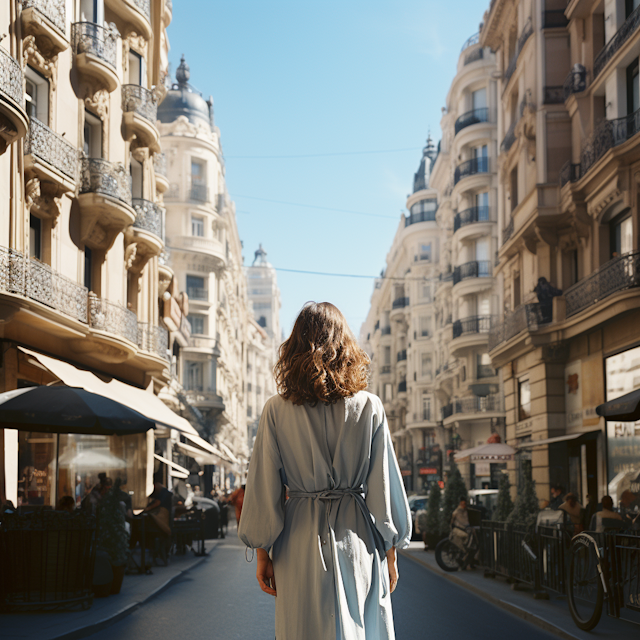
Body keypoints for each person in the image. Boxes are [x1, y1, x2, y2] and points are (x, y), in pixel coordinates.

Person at [238, 302, 412, 640]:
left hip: (299, 540)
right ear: (345, 345)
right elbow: (383, 488)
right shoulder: (370, 407)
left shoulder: (275, 410)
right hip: (358, 539)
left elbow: (263, 486)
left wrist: (263, 554)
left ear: (294, 348)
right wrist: (390, 554)